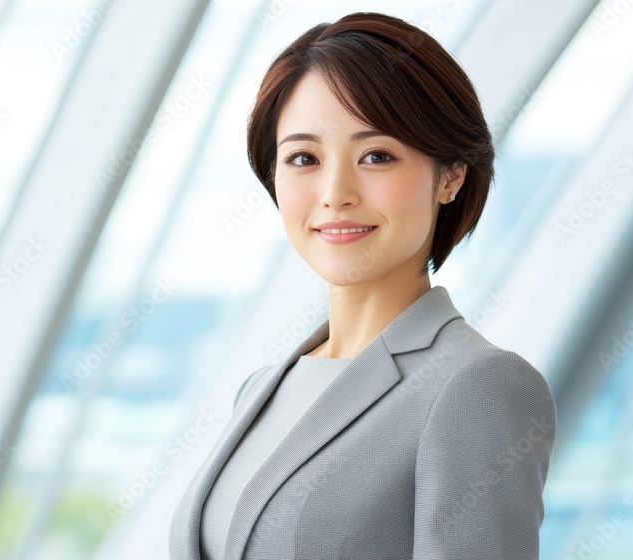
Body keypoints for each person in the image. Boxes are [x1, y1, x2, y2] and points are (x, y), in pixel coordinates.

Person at [169, 11, 557, 560]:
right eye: (303, 158)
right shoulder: (262, 387)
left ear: (450, 175)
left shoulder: (478, 386)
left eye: (376, 155)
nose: (335, 192)